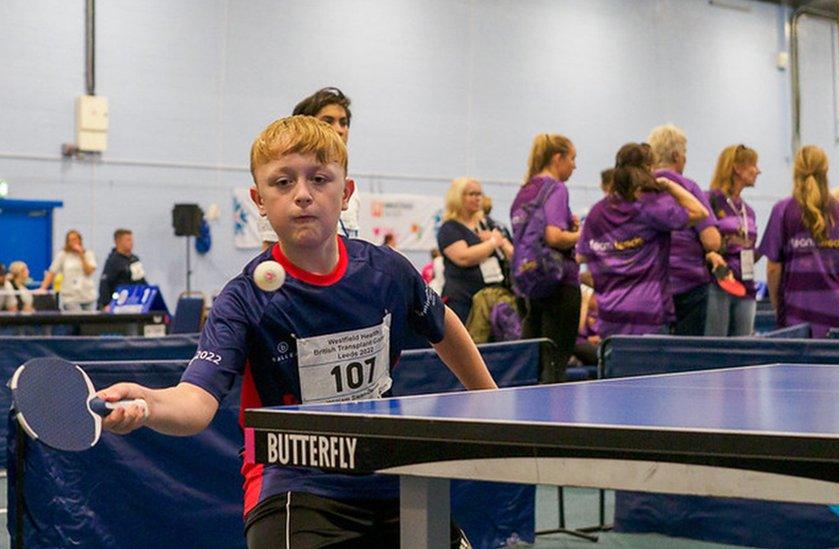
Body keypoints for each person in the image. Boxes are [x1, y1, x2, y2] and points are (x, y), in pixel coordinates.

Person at [98, 116, 497, 548]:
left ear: (345, 193)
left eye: (320, 179)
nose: (303, 194)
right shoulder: (243, 299)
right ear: (260, 201)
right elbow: (196, 401)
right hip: (296, 485)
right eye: (283, 182)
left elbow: (441, 323)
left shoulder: (386, 271)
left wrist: (491, 401)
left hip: (391, 473)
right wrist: (150, 402)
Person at [577, 142, 707, 337]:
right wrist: (669, 184)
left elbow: (582, 257)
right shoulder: (650, 208)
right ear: (648, 169)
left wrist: (616, 254)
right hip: (649, 316)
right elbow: (700, 212)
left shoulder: (597, 212)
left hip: (610, 316)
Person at [757, 146, 839, 338]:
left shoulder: (782, 210)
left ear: (795, 171)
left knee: (796, 368)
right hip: (837, 312)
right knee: (835, 368)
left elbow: (773, 269)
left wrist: (778, 307)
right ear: (826, 171)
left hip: (795, 311)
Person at [510, 133, 581, 383]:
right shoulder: (556, 188)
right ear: (557, 158)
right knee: (555, 364)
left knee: (533, 363)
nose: (574, 165)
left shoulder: (524, 191)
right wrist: (580, 234)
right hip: (559, 282)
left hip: (530, 284)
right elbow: (553, 236)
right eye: (572, 158)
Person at [647, 124, 721, 336]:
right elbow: (712, 240)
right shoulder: (689, 188)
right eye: (685, 153)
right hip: (688, 285)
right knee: (688, 354)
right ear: (676, 155)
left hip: (651, 285)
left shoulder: (641, 187)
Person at [705, 144, 761, 336]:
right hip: (719, 285)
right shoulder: (710, 200)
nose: (758, 171)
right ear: (737, 167)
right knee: (717, 349)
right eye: (753, 165)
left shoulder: (750, 212)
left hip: (747, 287)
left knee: (744, 349)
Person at [437, 177, 510, 323]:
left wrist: (501, 243)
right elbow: (464, 257)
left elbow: (513, 253)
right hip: (463, 301)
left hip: (495, 298)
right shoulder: (450, 228)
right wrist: (493, 242)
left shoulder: (489, 223)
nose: (478, 198)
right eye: (472, 194)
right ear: (458, 197)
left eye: (479, 194)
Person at [292, 86, 360, 239]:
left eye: (343, 123)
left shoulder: (349, 188)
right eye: (328, 121)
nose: (339, 129)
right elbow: (271, 251)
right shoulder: (289, 185)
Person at [39, 229, 97, 311]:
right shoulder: (63, 255)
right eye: (70, 240)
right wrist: (43, 288)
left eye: (75, 239)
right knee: (76, 318)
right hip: (70, 296)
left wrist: (81, 256)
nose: (73, 242)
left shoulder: (88, 254)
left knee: (87, 321)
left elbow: (89, 272)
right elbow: (52, 271)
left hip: (86, 294)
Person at [97, 228, 149, 310]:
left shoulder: (134, 259)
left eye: (132, 240)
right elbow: (105, 283)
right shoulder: (113, 260)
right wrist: (105, 304)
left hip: (134, 301)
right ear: (118, 242)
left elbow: (141, 279)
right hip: (118, 302)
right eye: (128, 240)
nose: (131, 243)